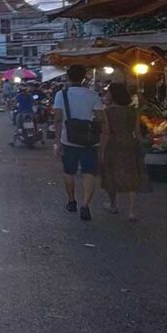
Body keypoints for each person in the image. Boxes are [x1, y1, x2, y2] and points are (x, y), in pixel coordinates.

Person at [53, 64, 104, 221]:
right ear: (84, 78)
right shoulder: (93, 94)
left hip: (68, 139)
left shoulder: (61, 95)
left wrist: (57, 142)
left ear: (68, 77)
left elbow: (58, 119)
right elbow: (100, 118)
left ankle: (71, 201)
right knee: (89, 172)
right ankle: (85, 205)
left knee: (69, 171)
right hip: (89, 140)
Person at [100, 82, 143, 221]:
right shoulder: (133, 111)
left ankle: (113, 204)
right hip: (130, 143)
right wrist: (140, 145)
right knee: (131, 174)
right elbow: (137, 131)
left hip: (113, 144)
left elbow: (106, 132)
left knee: (111, 174)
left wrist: (101, 149)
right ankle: (131, 211)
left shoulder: (107, 111)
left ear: (112, 94)